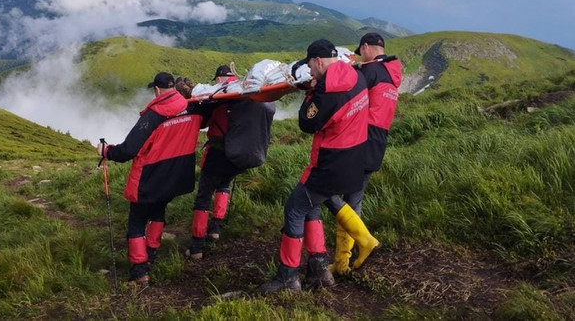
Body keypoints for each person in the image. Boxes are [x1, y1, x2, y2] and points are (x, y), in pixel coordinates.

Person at [258, 39, 373, 293]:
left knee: (295, 208)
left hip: (331, 162)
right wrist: (317, 87)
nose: (309, 72)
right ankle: (319, 269)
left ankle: (288, 277)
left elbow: (307, 123)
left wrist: (312, 92)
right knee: (312, 207)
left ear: (319, 61)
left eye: (310, 66)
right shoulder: (356, 76)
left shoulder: (327, 92)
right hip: (354, 158)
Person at [96, 72, 206, 284]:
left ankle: (139, 270)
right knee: (158, 212)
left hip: (150, 177)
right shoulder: (192, 108)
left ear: (156, 90)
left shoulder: (153, 116)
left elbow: (127, 151)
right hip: (175, 176)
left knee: (136, 222)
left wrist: (105, 151)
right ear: (174, 88)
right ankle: (152, 253)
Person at [327, 32, 402, 276]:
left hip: (361, 138)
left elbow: (348, 92)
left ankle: (366, 240)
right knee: (353, 202)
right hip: (379, 142)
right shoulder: (390, 72)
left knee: (326, 190)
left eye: (362, 52)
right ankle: (342, 263)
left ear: (367, 47)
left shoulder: (369, 72)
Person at [186, 65, 246, 259]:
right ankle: (215, 229)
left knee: (203, 196)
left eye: (216, 79)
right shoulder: (244, 90)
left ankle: (196, 246)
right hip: (237, 152)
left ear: (221, 78)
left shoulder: (218, 95)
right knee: (224, 186)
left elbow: (201, 122)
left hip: (217, 151)